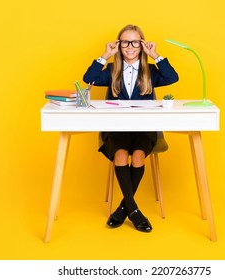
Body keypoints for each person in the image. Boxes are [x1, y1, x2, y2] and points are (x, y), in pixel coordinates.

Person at [83, 24, 178, 232]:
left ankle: (123, 208)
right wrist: (105, 55)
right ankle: (134, 210)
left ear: (142, 45)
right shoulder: (111, 71)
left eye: (135, 42)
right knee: (120, 154)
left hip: (144, 129)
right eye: (125, 42)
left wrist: (155, 55)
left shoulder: (150, 72)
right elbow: (88, 78)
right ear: (119, 45)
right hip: (116, 129)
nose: (130, 47)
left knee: (137, 156)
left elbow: (172, 77)